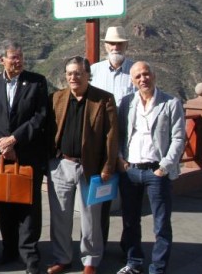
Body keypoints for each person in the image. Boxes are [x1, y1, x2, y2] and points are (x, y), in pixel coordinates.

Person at [46, 56, 119, 274]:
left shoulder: (104, 99)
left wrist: (108, 166)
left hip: (91, 167)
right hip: (61, 164)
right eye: (69, 73)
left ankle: (90, 261)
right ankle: (63, 258)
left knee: (90, 218)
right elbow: (49, 130)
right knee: (60, 217)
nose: (73, 77)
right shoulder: (56, 98)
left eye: (78, 73)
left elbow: (111, 135)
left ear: (88, 74)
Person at [0, 40, 48, 274]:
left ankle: (30, 255)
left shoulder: (37, 82)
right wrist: (0, 142)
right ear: (1, 59)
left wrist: (15, 139)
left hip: (27, 153)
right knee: (5, 203)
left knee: (28, 207)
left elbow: (40, 117)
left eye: (20, 56)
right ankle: (8, 250)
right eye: (13, 57)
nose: (18, 60)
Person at [116, 62, 185, 274]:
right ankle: (134, 262)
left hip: (157, 171)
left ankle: (158, 268)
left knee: (161, 224)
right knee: (130, 220)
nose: (143, 79)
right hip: (131, 170)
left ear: (154, 76)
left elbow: (179, 138)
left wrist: (164, 167)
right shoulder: (127, 102)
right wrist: (121, 160)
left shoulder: (171, 102)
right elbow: (119, 134)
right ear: (132, 80)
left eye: (146, 74)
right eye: (138, 76)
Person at [90, 26, 137, 247]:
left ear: (126, 45)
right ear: (106, 45)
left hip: (129, 148)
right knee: (102, 201)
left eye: (119, 43)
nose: (115, 47)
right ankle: (99, 246)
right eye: (111, 43)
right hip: (102, 147)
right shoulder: (94, 71)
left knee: (130, 202)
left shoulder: (135, 72)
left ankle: (129, 247)